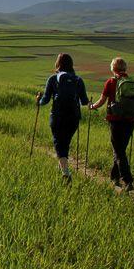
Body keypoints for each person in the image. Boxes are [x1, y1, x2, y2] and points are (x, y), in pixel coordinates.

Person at [89, 57, 134, 192]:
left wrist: (92, 106)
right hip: (130, 121)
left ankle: (128, 180)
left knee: (118, 151)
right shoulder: (132, 82)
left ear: (113, 69)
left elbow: (102, 101)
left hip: (115, 121)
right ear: (125, 68)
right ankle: (114, 177)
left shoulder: (111, 82)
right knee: (120, 150)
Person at [36, 53, 89, 183]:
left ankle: (66, 173)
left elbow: (45, 101)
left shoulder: (53, 79)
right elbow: (84, 101)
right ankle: (62, 167)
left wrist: (38, 100)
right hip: (73, 117)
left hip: (57, 116)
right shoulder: (78, 80)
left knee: (58, 143)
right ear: (71, 64)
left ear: (57, 64)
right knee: (64, 143)